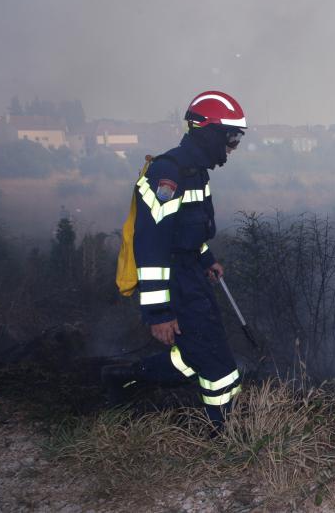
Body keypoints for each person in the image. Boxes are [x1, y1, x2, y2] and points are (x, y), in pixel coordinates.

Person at [102, 90, 247, 428]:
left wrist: (206, 256)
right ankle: (224, 431)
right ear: (208, 131)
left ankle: (124, 378)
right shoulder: (168, 174)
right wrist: (158, 313)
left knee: (197, 352)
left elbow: (189, 230)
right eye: (231, 137)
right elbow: (152, 246)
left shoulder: (197, 172)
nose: (232, 147)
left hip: (191, 273)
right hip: (173, 280)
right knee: (215, 360)